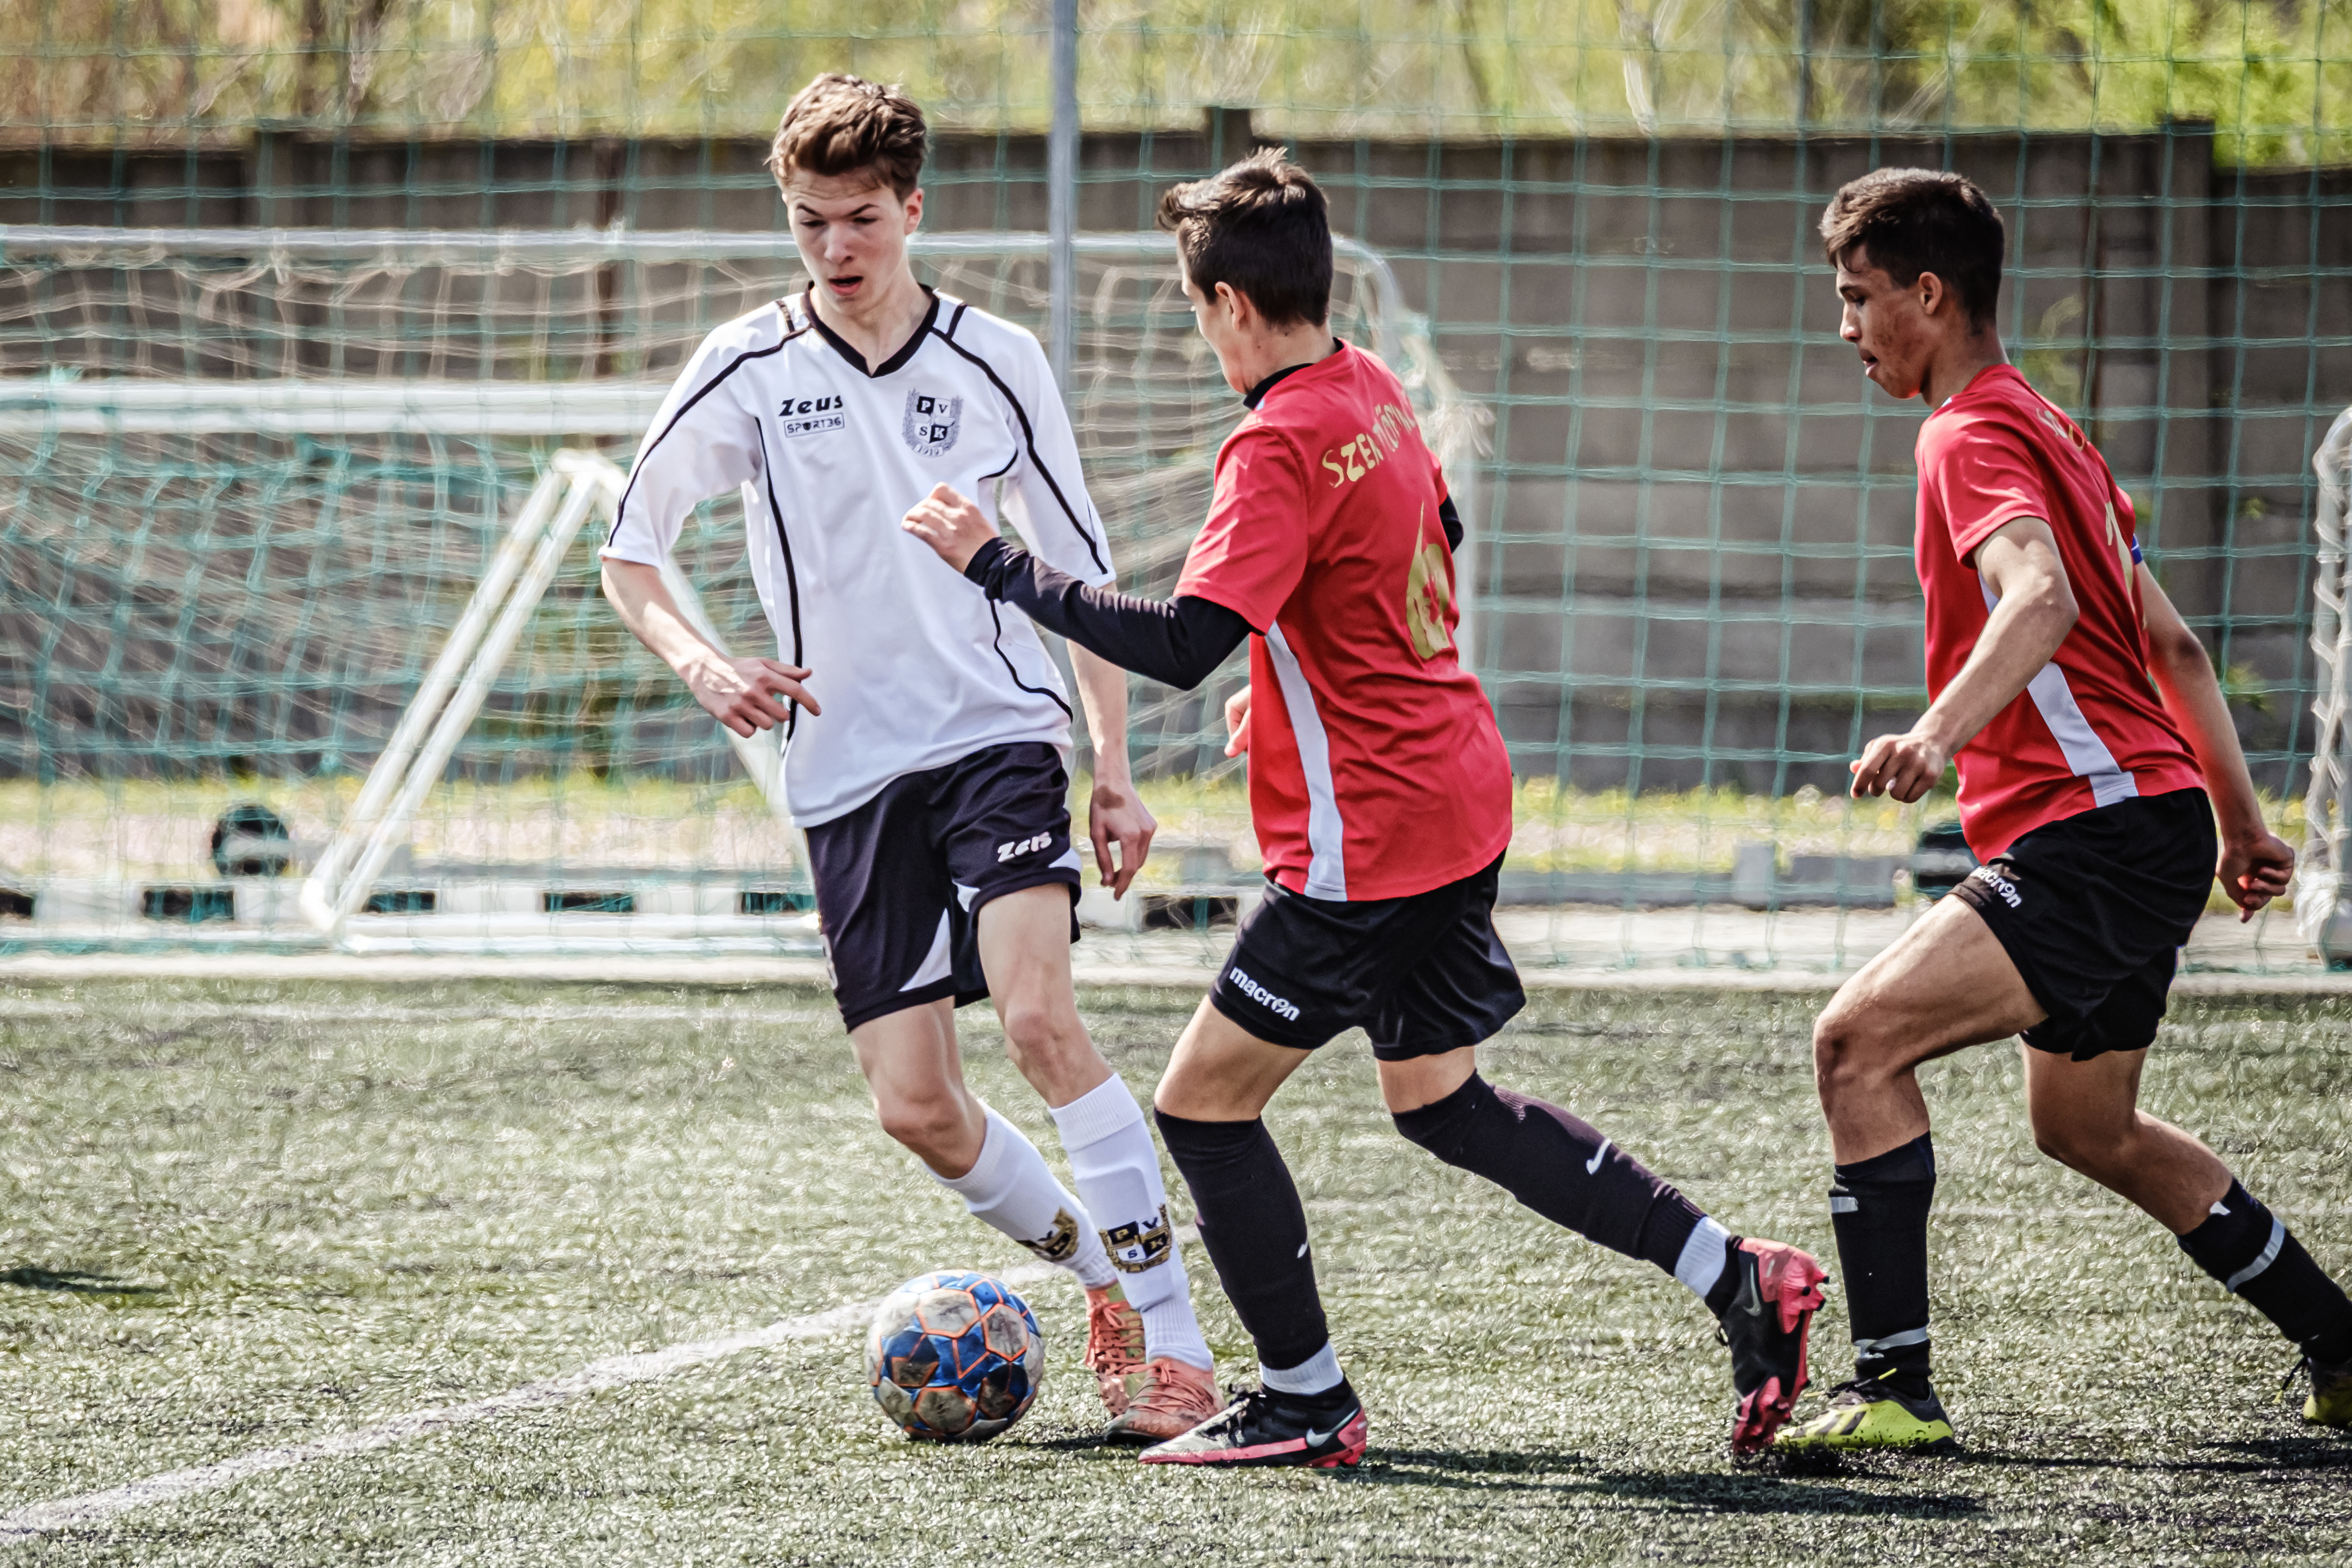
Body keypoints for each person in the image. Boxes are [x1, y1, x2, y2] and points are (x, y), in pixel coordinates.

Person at [903, 148, 1827, 1468]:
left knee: (1203, 1107)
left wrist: (997, 564)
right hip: (1456, 790)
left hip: (1369, 842)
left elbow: (1180, 638)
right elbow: (1421, 536)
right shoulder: (1371, 388)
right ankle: (1737, 1273)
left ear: (1225, 303)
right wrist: (1289, 699)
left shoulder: (1275, 438)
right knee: (1440, 1100)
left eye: (1192, 306)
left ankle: (1304, 1396)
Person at [598, 72, 1219, 1443]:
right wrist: (705, 663)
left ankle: (1178, 1345)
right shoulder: (745, 367)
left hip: (996, 736)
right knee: (916, 1107)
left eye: (861, 219)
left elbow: (1081, 574)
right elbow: (628, 555)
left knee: (1041, 1018)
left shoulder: (995, 359)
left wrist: (1110, 764)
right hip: (842, 770)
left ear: (912, 209)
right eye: (811, 222)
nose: (836, 248)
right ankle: (1100, 1269)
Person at [1779, 167, 2352, 1451]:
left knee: (1852, 1044)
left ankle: (1890, 1392)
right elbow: (2172, 645)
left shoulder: (1966, 432)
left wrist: (1934, 735)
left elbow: (2034, 601)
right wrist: (2244, 823)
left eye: (1857, 297)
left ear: (1927, 294)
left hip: (2093, 830)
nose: (1846, 326)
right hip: (2148, 822)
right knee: (2085, 1124)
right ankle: (2341, 1338)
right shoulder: (2059, 431)